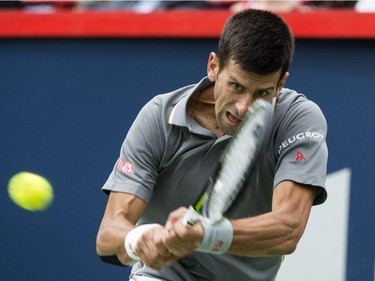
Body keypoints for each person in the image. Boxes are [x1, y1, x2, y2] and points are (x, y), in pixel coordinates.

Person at [96, 9, 328, 281]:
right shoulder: (158, 116)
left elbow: (288, 228)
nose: (244, 107)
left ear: (280, 85)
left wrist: (205, 236)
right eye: (236, 86)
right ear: (213, 66)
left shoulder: (298, 118)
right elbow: (108, 236)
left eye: (262, 93)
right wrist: (139, 238)